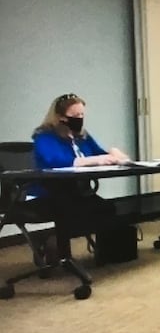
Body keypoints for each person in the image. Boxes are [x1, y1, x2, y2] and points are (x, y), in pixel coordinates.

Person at [31, 93, 131, 263]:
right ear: (61, 117)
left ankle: (106, 254)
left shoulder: (82, 136)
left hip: (76, 191)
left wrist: (115, 155)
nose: (80, 119)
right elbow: (55, 161)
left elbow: (100, 154)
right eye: (75, 116)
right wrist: (92, 160)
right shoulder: (44, 136)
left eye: (82, 115)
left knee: (107, 209)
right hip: (50, 193)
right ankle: (53, 243)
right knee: (75, 211)